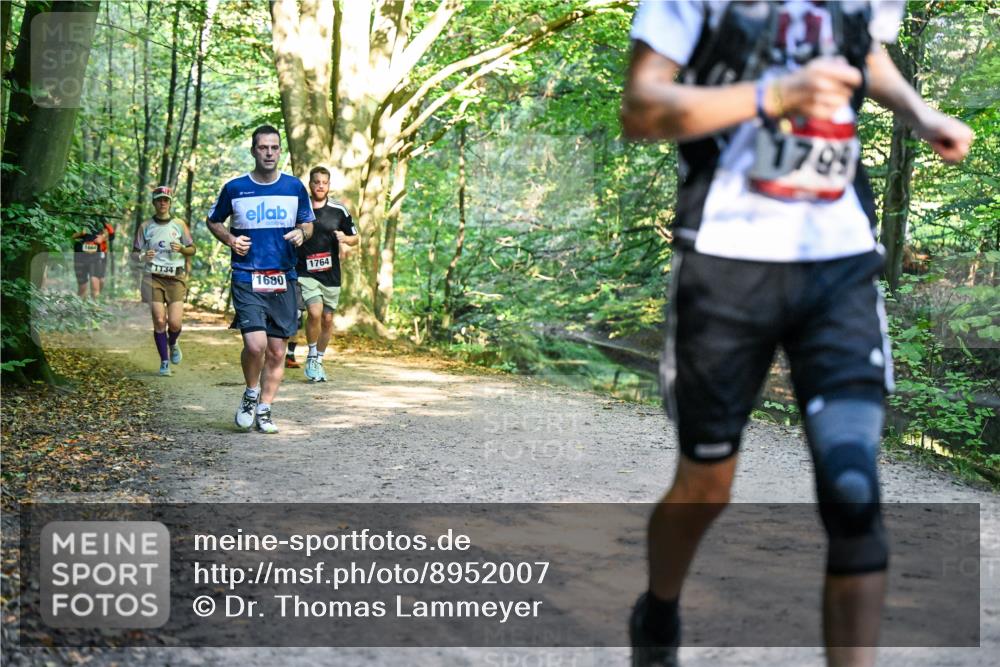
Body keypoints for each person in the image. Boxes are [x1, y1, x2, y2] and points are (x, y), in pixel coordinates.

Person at [621, 2, 973, 666]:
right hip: (726, 265)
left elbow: (863, 53)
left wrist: (919, 112)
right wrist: (774, 92)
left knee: (853, 488)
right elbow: (640, 106)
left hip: (837, 261)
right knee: (706, 484)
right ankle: (658, 614)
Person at [206, 125, 314, 433]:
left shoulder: (294, 187)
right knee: (255, 346)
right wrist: (229, 239)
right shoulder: (236, 188)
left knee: (278, 351)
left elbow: (308, 225)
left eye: (274, 148)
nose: (269, 153)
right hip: (247, 275)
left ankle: (265, 409)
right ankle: (250, 393)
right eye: (263, 147)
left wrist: (301, 233)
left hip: (283, 277)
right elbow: (212, 220)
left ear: (280, 151)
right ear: (254, 151)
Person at [296, 165, 358, 382]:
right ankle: (312, 354)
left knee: (328, 318)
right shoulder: (300, 209)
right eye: (316, 182)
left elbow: (355, 237)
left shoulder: (339, 210)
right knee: (314, 312)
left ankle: (319, 359)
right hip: (305, 271)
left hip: (331, 274)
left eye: (324, 182)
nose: (320, 186)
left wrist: (345, 238)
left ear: (329, 185)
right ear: (310, 184)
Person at [133, 186, 195, 376]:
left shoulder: (179, 224)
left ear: (170, 203)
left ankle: (173, 342)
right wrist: (144, 256)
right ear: (154, 203)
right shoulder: (145, 226)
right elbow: (135, 254)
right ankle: (164, 361)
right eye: (159, 200)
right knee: (160, 320)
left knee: (175, 323)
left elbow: (192, 249)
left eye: (166, 200)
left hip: (175, 278)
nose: (162, 203)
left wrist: (182, 250)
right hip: (153, 278)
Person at [72, 218, 115, 299]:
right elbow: (71, 235)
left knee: (95, 283)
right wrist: (81, 233)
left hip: (96, 255)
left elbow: (111, 234)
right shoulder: (78, 217)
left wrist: (102, 237)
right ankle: (80, 308)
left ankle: (95, 308)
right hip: (80, 255)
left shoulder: (100, 219)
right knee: (82, 287)